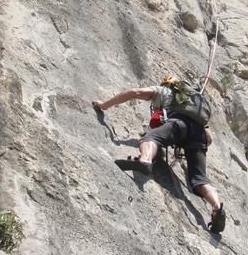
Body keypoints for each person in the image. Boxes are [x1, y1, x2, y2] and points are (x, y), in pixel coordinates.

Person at [92, 77, 226, 233]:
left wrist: (104, 105)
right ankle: (216, 208)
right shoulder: (196, 104)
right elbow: (208, 140)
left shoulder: (166, 91)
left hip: (178, 124)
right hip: (199, 135)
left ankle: (145, 160)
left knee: (150, 138)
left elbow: (135, 92)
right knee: (200, 179)